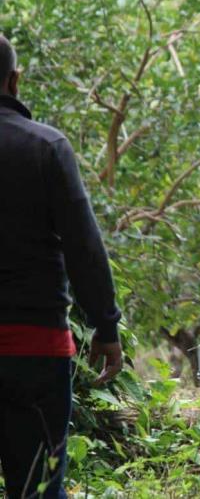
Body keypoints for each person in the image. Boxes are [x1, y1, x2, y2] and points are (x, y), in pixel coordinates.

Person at [0, 35, 123, 498]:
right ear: (15, 80)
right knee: (37, 488)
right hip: (35, 348)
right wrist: (105, 327)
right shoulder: (46, 146)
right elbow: (83, 246)